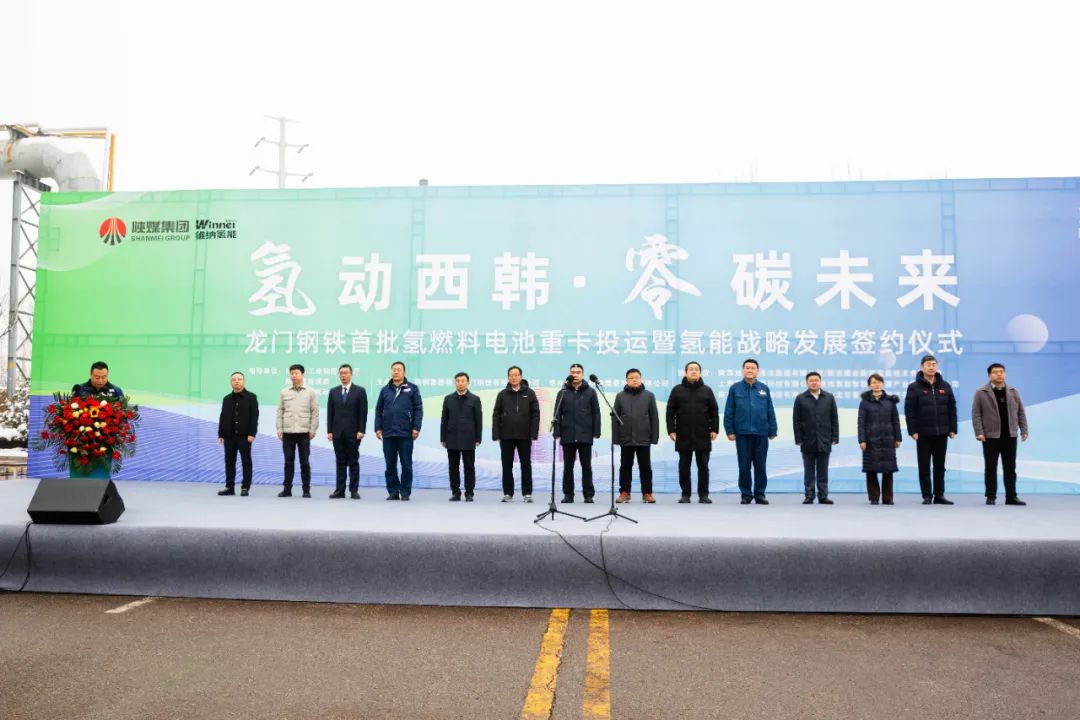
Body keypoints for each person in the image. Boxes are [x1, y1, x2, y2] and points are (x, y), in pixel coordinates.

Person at [971, 363, 1029, 505]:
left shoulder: (1013, 391)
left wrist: (1024, 430)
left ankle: (1011, 496)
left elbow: (1021, 412)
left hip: (1010, 435)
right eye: (995, 372)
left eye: (1002, 372)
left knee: (1010, 468)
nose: (999, 374)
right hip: (990, 436)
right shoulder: (981, 392)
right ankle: (991, 496)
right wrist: (979, 432)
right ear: (989, 375)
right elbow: (976, 414)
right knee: (990, 467)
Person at [904, 354, 957, 505]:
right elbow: (909, 411)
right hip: (923, 433)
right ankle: (927, 495)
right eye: (928, 365)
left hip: (942, 433)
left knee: (940, 466)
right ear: (922, 367)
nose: (931, 367)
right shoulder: (914, 387)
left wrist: (952, 428)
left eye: (934, 364)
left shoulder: (945, 386)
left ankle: (939, 495)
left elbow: (952, 408)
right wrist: (912, 431)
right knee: (924, 466)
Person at [724, 358, 778, 505]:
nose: (750, 370)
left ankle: (760, 494)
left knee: (761, 465)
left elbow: (770, 410)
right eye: (747, 368)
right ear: (743, 370)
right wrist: (729, 430)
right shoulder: (735, 388)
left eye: (753, 368)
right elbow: (729, 411)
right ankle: (746, 494)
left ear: (757, 371)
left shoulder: (764, 388)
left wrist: (773, 430)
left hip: (761, 433)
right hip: (742, 433)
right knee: (744, 466)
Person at [666, 361, 719, 504]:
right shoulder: (677, 390)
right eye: (691, 369)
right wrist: (671, 430)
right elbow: (670, 412)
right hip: (683, 433)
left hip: (703, 433)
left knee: (703, 466)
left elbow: (714, 411)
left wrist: (714, 429)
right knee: (684, 466)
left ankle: (703, 495)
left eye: (696, 369)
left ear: (700, 373)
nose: (694, 371)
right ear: (686, 372)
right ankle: (685, 494)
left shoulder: (707, 390)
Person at [375, 361, 423, 501]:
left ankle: (405, 492)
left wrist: (416, 427)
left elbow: (418, 409)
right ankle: (393, 492)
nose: (396, 372)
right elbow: (378, 410)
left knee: (406, 464)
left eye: (399, 369)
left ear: (404, 372)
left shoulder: (412, 389)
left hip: (406, 433)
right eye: (394, 369)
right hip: (388, 432)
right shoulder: (385, 390)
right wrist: (378, 427)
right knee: (390, 465)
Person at [492, 366, 540, 503]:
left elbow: (535, 414)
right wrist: (496, 434)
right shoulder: (502, 394)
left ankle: (527, 493)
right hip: (506, 435)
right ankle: (508, 493)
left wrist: (533, 433)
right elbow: (496, 414)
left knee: (526, 464)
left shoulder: (530, 393)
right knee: (507, 465)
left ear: (521, 376)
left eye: (516, 375)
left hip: (524, 435)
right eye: (511, 375)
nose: (514, 377)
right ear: (508, 377)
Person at [554, 364, 601, 503]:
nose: (575, 375)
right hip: (568, 434)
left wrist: (596, 431)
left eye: (578, 372)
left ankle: (588, 495)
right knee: (568, 467)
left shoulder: (591, 392)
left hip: (585, 434)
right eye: (573, 372)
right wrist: (557, 432)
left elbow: (596, 413)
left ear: (582, 374)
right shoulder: (562, 392)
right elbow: (557, 414)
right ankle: (568, 495)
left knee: (586, 466)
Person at [792, 371, 840, 504]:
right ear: (807, 383)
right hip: (807, 440)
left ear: (820, 382)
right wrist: (798, 439)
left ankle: (823, 496)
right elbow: (796, 420)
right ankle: (809, 495)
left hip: (825, 439)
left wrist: (835, 437)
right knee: (808, 470)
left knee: (823, 470)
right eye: (811, 380)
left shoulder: (829, 397)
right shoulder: (800, 398)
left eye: (816, 380)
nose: (814, 382)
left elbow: (834, 419)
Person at [613, 368, 660, 503]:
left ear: (641, 379)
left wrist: (654, 437)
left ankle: (647, 493)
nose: (634, 379)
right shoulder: (620, 396)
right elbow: (615, 418)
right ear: (626, 380)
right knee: (625, 467)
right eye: (631, 377)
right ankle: (624, 492)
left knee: (645, 467)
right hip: (626, 437)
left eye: (637, 377)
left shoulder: (649, 395)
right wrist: (616, 438)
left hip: (644, 437)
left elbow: (654, 417)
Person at [858, 373, 902, 505]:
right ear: (869, 385)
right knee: (871, 469)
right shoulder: (865, 402)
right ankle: (874, 497)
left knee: (888, 469)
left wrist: (898, 438)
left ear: (882, 384)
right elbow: (861, 422)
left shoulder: (890, 401)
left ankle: (888, 498)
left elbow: (896, 421)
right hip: (870, 440)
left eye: (879, 382)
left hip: (888, 440)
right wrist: (862, 440)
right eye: (874, 382)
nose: (877, 385)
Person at [276, 364, 319, 498]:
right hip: (288, 432)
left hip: (304, 432)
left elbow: (315, 412)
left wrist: (313, 429)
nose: (293, 376)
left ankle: (306, 490)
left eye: (296, 373)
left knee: (304, 462)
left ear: (302, 374)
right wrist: (279, 428)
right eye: (291, 373)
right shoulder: (284, 392)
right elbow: (280, 411)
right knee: (288, 462)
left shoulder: (310, 392)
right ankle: (287, 489)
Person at [326, 363, 367, 500]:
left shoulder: (359, 391)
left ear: (351, 374)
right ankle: (340, 490)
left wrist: (361, 430)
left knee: (353, 462)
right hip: (337, 433)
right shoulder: (333, 391)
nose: (343, 375)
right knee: (340, 462)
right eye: (341, 373)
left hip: (354, 433)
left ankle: (354, 490)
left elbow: (363, 413)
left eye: (346, 373)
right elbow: (330, 413)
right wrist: (329, 431)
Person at [441, 372, 483, 502]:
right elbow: (444, 420)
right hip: (452, 437)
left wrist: (478, 438)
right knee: (453, 467)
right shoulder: (448, 399)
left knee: (469, 467)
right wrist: (443, 438)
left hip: (469, 438)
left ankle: (469, 493)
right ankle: (456, 492)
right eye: (458, 381)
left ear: (468, 383)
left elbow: (478, 420)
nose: (460, 383)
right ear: (455, 383)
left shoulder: (475, 399)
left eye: (463, 381)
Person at [217, 372, 259, 497]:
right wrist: (221, 434)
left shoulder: (251, 397)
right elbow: (223, 417)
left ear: (243, 381)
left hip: (245, 436)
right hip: (229, 436)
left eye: (239, 379)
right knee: (229, 462)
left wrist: (252, 433)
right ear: (231, 382)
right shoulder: (226, 399)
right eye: (234, 379)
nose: (236, 381)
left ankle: (245, 487)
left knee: (246, 461)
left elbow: (254, 417)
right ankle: (229, 487)